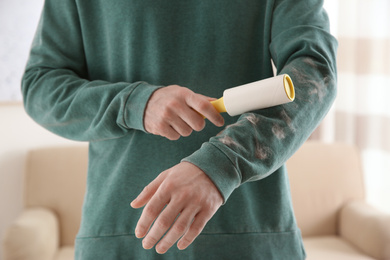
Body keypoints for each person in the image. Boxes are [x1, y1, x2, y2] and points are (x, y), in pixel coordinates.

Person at [21, 0, 337, 259]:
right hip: (121, 240)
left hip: (250, 239)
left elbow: (314, 74)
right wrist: (134, 104)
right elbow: (41, 85)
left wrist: (223, 163)